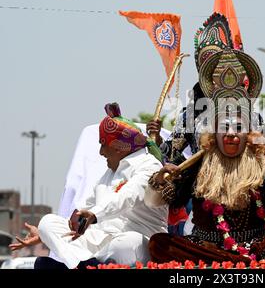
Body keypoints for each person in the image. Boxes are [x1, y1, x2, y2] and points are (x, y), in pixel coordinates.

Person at [144, 48, 265, 266]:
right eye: (224, 127)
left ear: (248, 132)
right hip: (205, 249)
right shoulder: (197, 165)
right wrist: (159, 180)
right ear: (213, 131)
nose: (230, 134)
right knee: (158, 244)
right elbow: (153, 202)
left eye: (238, 127)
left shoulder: (263, 165)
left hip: (254, 249)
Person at [9, 103, 168, 269]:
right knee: (48, 223)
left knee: (127, 243)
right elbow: (83, 211)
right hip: (100, 245)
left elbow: (128, 196)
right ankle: (81, 264)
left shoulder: (150, 165)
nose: (101, 152)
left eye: (103, 144)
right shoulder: (109, 173)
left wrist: (94, 214)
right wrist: (44, 235)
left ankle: (78, 265)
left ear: (119, 148)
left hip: (136, 242)